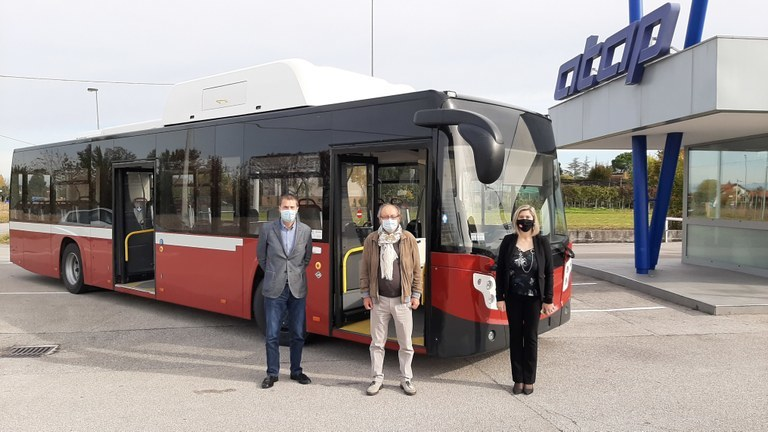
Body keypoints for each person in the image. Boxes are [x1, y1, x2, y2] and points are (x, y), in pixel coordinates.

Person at [360, 203, 422, 396]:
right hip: (378, 300)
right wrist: (365, 294)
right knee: (377, 343)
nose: (389, 220)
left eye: (392, 216)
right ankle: (377, 378)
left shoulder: (408, 239)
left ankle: (406, 379)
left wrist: (416, 294)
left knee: (406, 344)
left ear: (399, 218)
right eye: (384, 217)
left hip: (402, 300)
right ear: (379, 219)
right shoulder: (372, 240)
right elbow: (364, 269)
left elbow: (416, 269)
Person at [495, 204, 555, 395]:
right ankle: (517, 379)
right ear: (516, 220)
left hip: (534, 299)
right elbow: (500, 270)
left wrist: (548, 299)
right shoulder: (508, 241)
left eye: (528, 217)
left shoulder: (541, 242)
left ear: (534, 220)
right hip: (512, 297)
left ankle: (529, 379)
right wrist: (500, 297)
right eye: (521, 217)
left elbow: (549, 272)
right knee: (515, 337)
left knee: (530, 338)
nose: (524, 220)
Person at [257, 193, 314, 389]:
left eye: (292, 207)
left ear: (297, 209)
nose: (289, 211)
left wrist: (293, 273)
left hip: (297, 287)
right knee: (272, 334)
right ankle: (272, 373)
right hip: (275, 288)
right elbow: (262, 257)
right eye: (285, 207)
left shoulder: (306, 231)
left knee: (297, 333)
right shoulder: (267, 229)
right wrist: (275, 273)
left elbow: (307, 257)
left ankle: (296, 371)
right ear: (279, 209)